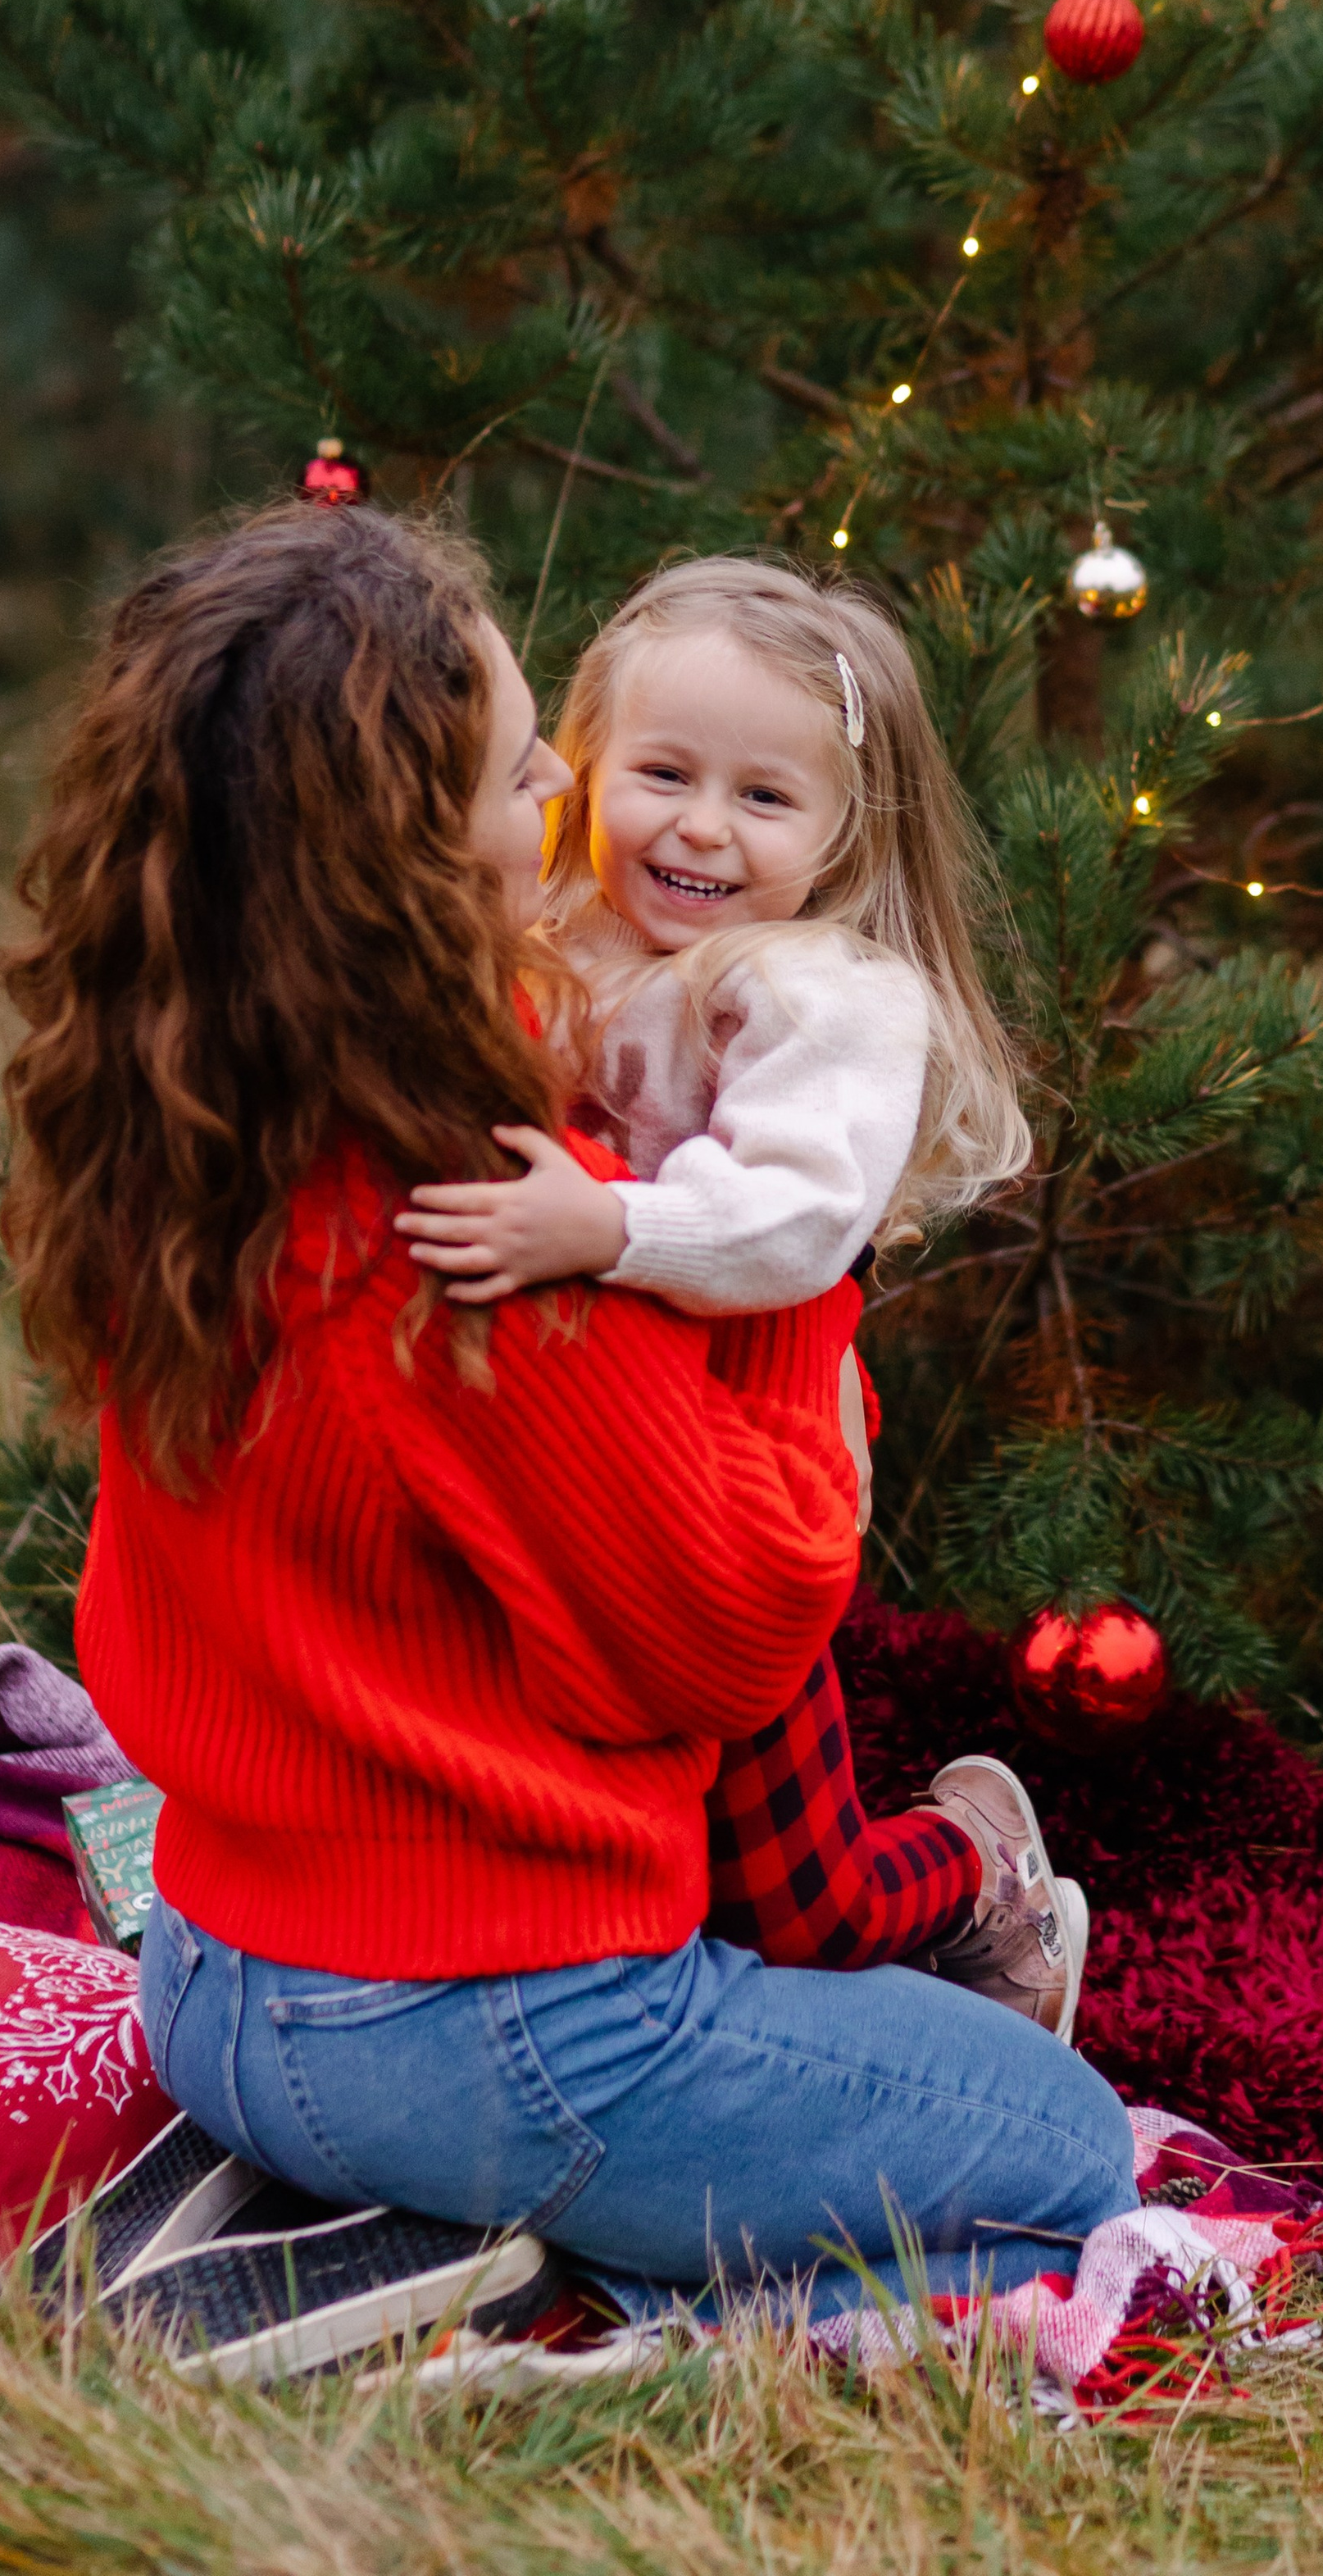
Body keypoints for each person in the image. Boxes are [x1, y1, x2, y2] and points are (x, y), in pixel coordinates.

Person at [0, 503, 1139, 2338]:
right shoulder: (483, 1212)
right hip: (474, 2020)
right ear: (401, 845)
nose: (574, 797)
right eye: (535, 764)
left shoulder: (186, 1101)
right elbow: (721, 1635)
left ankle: (379, 2205)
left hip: (213, 1972)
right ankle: (548, 2310)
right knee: (1064, 2156)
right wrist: (786, 1300)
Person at [393, 558, 1087, 2036]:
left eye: (765, 799)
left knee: (795, 1900)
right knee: (643, 1814)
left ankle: (979, 1865)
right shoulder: (567, 930)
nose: (701, 825)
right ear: (580, 765)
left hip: (755, 1459)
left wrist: (607, 1225)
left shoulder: (812, 993)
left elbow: (793, 1219)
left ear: (845, 836)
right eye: (661, 771)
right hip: (612, 1453)